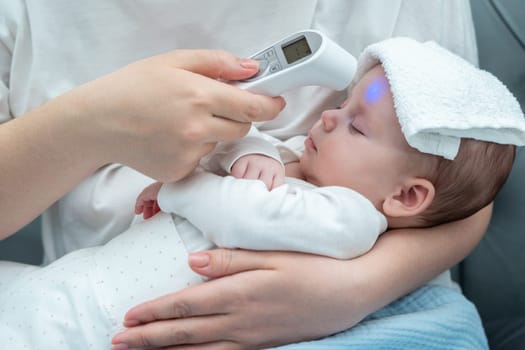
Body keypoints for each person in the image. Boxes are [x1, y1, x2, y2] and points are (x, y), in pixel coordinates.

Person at [0, 1, 493, 349]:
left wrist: (357, 289)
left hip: (337, 310)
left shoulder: (350, 215)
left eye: (355, 123)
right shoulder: (314, 157)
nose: (327, 117)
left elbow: (463, 185)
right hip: (101, 276)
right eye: (339, 105)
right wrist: (88, 125)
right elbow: (266, 153)